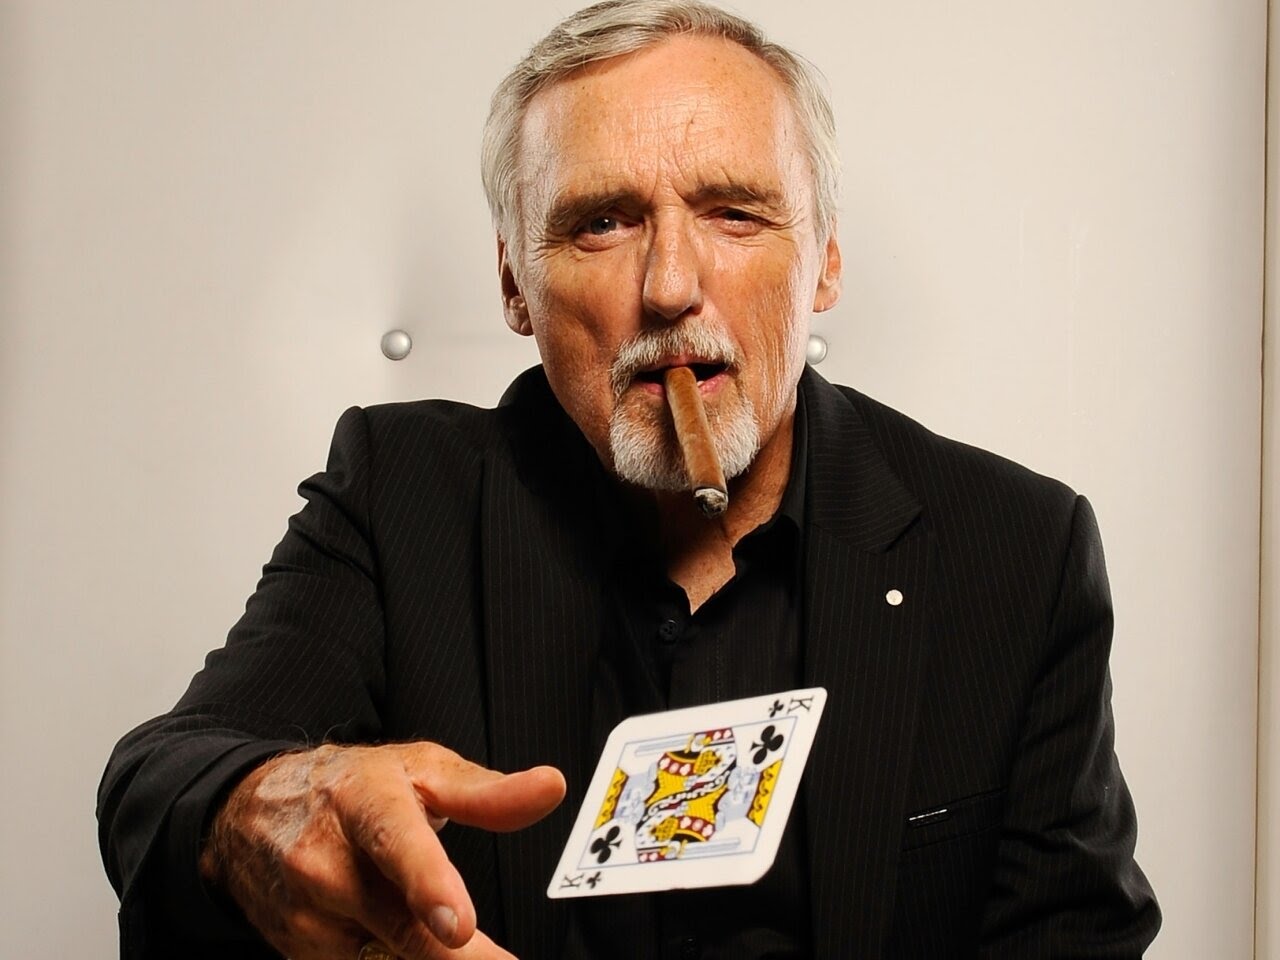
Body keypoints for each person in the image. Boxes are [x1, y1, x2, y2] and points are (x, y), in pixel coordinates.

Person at [97, 1, 1161, 957]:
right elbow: (159, 782)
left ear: (826, 259)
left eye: (734, 212)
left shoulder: (1014, 549)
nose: (670, 286)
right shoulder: (398, 495)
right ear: (514, 283)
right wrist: (267, 806)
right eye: (601, 222)